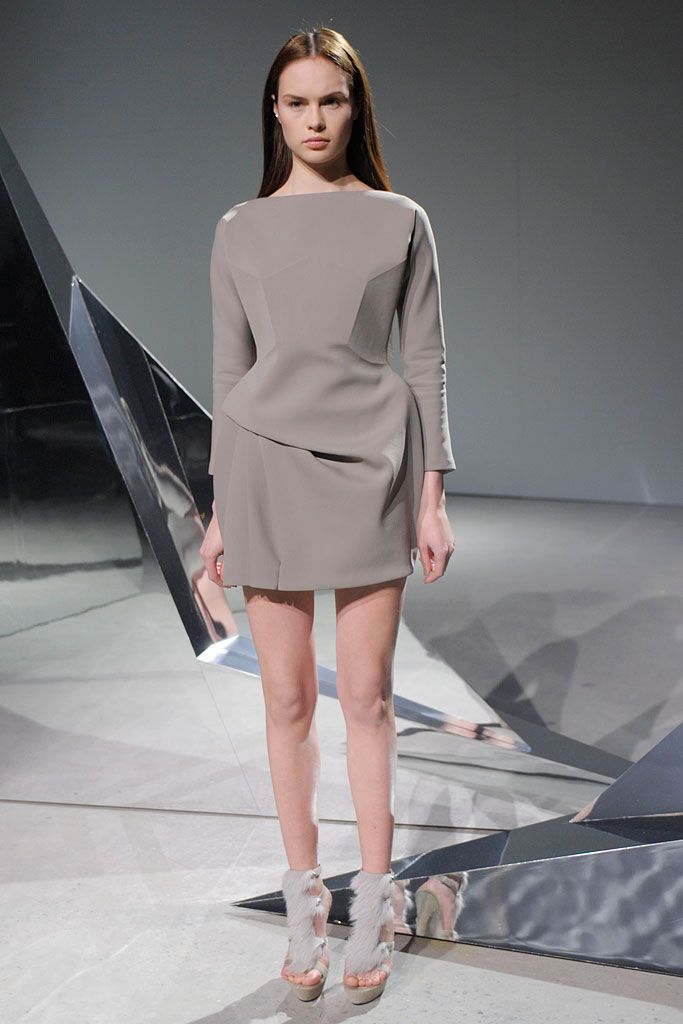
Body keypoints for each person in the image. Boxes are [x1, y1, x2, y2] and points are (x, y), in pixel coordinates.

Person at [199, 26, 456, 1004]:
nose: (314, 119)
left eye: (331, 101)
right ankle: (306, 900)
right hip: (263, 468)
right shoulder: (238, 228)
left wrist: (432, 493)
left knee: (368, 696)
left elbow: (424, 359)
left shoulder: (399, 220)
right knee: (284, 700)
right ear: (273, 111)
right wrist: (218, 506)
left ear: (356, 108)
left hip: (372, 468)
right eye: (297, 101)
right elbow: (230, 372)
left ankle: (374, 899)